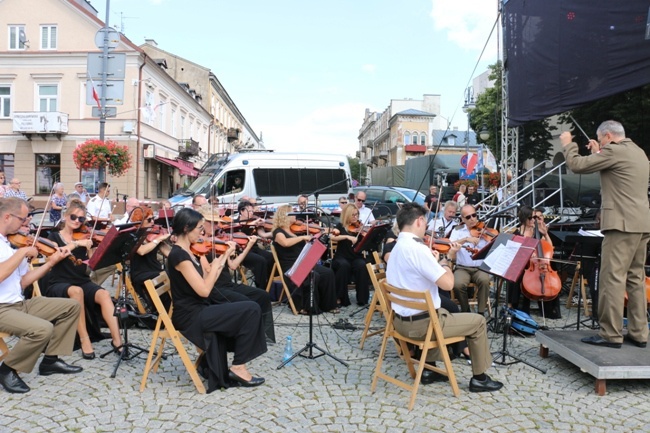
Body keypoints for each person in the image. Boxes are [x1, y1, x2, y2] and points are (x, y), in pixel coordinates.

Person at [385, 202, 502, 392]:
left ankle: (429, 371)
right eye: (425, 223)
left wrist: (433, 261)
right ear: (419, 221)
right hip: (421, 326)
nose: (426, 228)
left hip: (399, 323)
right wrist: (446, 260)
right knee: (479, 321)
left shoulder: (397, 246)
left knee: (442, 308)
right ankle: (480, 378)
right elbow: (448, 284)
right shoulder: (418, 249)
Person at [561, 121, 650, 348]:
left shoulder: (613, 151)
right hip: (641, 223)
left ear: (608, 136)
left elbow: (577, 165)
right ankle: (639, 332)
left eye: (601, 140)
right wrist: (599, 151)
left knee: (612, 279)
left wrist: (568, 145)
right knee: (636, 279)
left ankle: (610, 334)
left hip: (621, 225)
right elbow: (616, 170)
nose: (600, 143)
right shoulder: (638, 152)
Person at [167, 208, 267, 391]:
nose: (201, 232)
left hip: (199, 308)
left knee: (248, 307)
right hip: (190, 315)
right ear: (186, 228)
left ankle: (238, 365)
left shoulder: (188, 251)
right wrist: (215, 267)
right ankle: (238, 367)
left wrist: (222, 258)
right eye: (199, 228)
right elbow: (205, 290)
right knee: (251, 309)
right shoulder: (179, 256)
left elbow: (205, 281)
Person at [0, 197, 83, 394]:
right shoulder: (14, 248)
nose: (26, 224)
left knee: (71, 306)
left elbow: (23, 282)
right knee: (42, 329)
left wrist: (51, 262)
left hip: (18, 303)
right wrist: (21, 254)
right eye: (23, 220)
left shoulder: (10, 242)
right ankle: (7, 370)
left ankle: (50, 361)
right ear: (7, 217)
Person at [46, 199, 123, 359]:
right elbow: (55, 255)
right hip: (59, 282)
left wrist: (91, 250)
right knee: (77, 291)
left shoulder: (85, 236)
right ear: (66, 216)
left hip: (82, 280)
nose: (77, 221)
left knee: (104, 294)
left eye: (81, 219)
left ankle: (117, 340)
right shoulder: (54, 236)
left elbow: (91, 266)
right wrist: (77, 243)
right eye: (73, 217)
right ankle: (84, 339)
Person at [198, 206, 276, 343]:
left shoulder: (217, 240)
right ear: (202, 222)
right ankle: (245, 338)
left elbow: (233, 266)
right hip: (215, 288)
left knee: (262, 295)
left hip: (228, 284)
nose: (216, 226)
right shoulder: (198, 244)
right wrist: (225, 254)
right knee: (248, 303)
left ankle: (263, 334)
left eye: (217, 223)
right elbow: (208, 271)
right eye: (212, 222)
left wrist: (248, 247)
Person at [272, 205, 338, 314]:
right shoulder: (278, 232)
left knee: (327, 272)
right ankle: (306, 306)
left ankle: (328, 305)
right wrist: (302, 238)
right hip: (291, 266)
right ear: (286, 216)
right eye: (292, 213)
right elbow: (285, 243)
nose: (295, 215)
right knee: (313, 275)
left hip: (303, 263)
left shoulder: (294, 232)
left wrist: (319, 235)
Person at [506, 206, 560, 318]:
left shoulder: (538, 232)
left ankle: (549, 308)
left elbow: (549, 248)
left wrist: (545, 234)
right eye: (530, 218)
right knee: (513, 272)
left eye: (534, 218)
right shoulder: (517, 233)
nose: (533, 220)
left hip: (535, 264)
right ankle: (513, 305)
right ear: (524, 218)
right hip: (522, 264)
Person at [448, 205, 491, 315]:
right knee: (457, 284)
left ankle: (481, 313)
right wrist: (466, 239)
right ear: (462, 219)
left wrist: (489, 238)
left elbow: (492, 248)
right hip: (462, 267)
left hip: (480, 268)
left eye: (474, 215)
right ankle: (465, 311)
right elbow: (450, 244)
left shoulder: (483, 230)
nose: (472, 218)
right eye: (468, 217)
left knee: (485, 281)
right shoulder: (457, 230)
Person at [129, 207, 171, 311]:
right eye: (149, 220)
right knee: (163, 276)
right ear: (140, 222)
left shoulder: (153, 235)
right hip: (140, 273)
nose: (153, 222)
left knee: (172, 274)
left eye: (153, 219)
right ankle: (163, 311)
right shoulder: (133, 236)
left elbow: (169, 253)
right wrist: (158, 240)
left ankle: (173, 308)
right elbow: (142, 251)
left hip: (154, 269)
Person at [331, 204, 371, 306]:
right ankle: (340, 297)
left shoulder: (359, 227)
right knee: (344, 265)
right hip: (342, 257)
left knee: (362, 265)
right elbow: (332, 237)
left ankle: (362, 298)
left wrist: (365, 236)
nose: (355, 217)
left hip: (356, 257)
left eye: (357, 214)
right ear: (347, 215)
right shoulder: (341, 226)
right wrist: (346, 237)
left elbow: (366, 243)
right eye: (353, 215)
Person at [234, 201, 274, 289]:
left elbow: (262, 234)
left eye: (253, 211)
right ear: (242, 211)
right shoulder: (235, 223)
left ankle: (269, 283)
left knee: (271, 257)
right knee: (261, 261)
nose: (252, 214)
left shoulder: (254, 222)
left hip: (254, 248)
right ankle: (261, 287)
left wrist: (274, 231)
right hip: (242, 251)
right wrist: (251, 224)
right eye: (249, 211)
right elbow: (240, 232)